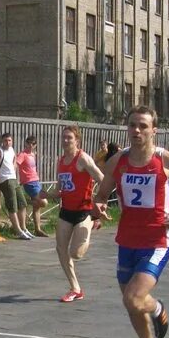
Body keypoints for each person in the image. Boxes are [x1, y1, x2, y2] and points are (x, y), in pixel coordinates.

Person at [94, 106, 169, 338]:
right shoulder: (118, 161)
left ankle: (157, 307)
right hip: (127, 239)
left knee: (134, 297)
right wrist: (99, 207)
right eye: (132, 125)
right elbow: (102, 193)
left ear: (154, 130)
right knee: (131, 304)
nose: (137, 131)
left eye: (142, 126)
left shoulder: (166, 160)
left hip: (157, 240)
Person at [39, 125, 104, 302]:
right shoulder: (61, 161)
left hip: (83, 211)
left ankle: (92, 222)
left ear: (77, 140)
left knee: (76, 253)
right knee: (61, 249)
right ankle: (75, 288)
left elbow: (102, 179)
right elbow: (61, 190)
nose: (66, 140)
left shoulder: (83, 158)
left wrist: (100, 202)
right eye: (64, 137)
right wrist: (46, 194)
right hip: (66, 210)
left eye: (69, 137)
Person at [0, 133, 32, 239]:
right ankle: (18, 230)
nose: (7, 142)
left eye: (9, 140)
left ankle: (23, 228)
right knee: (12, 206)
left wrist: (14, 167)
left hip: (14, 179)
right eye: (5, 140)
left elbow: (14, 160)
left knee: (22, 203)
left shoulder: (11, 150)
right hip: (5, 180)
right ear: (1, 141)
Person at [16, 135, 49, 237]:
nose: (31, 145)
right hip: (29, 182)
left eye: (33, 144)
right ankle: (24, 201)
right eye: (29, 143)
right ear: (25, 143)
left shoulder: (32, 155)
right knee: (43, 202)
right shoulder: (22, 154)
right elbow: (15, 164)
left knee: (37, 207)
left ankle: (37, 229)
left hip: (36, 181)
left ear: (35, 145)